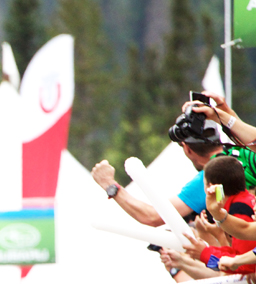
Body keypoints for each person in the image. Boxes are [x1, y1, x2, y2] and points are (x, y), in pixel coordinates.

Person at [91, 93, 256, 226]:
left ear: (187, 148)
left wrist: (110, 185)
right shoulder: (245, 153)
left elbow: (152, 216)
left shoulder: (212, 177)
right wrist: (226, 114)